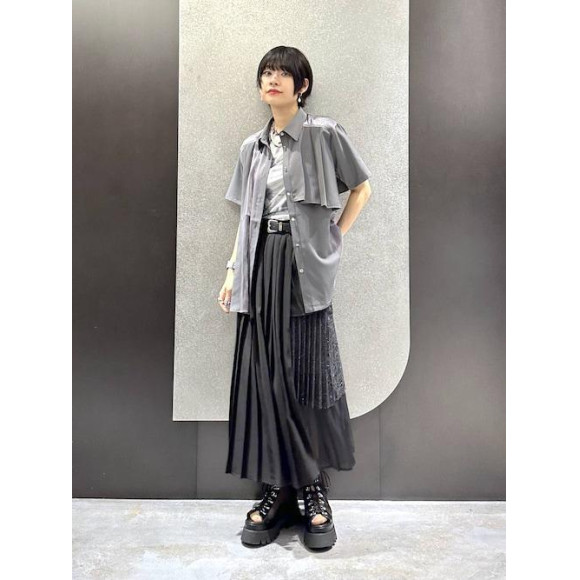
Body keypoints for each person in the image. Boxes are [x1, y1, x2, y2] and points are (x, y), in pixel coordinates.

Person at [218, 46, 372, 550]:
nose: (273, 80)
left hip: (304, 268)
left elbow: (362, 189)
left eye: (283, 73)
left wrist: (334, 236)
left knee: (307, 372)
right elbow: (247, 220)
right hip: (261, 263)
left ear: (301, 85)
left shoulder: (324, 133)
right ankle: (276, 488)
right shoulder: (252, 147)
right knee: (267, 378)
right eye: (266, 72)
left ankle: (311, 487)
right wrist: (233, 271)